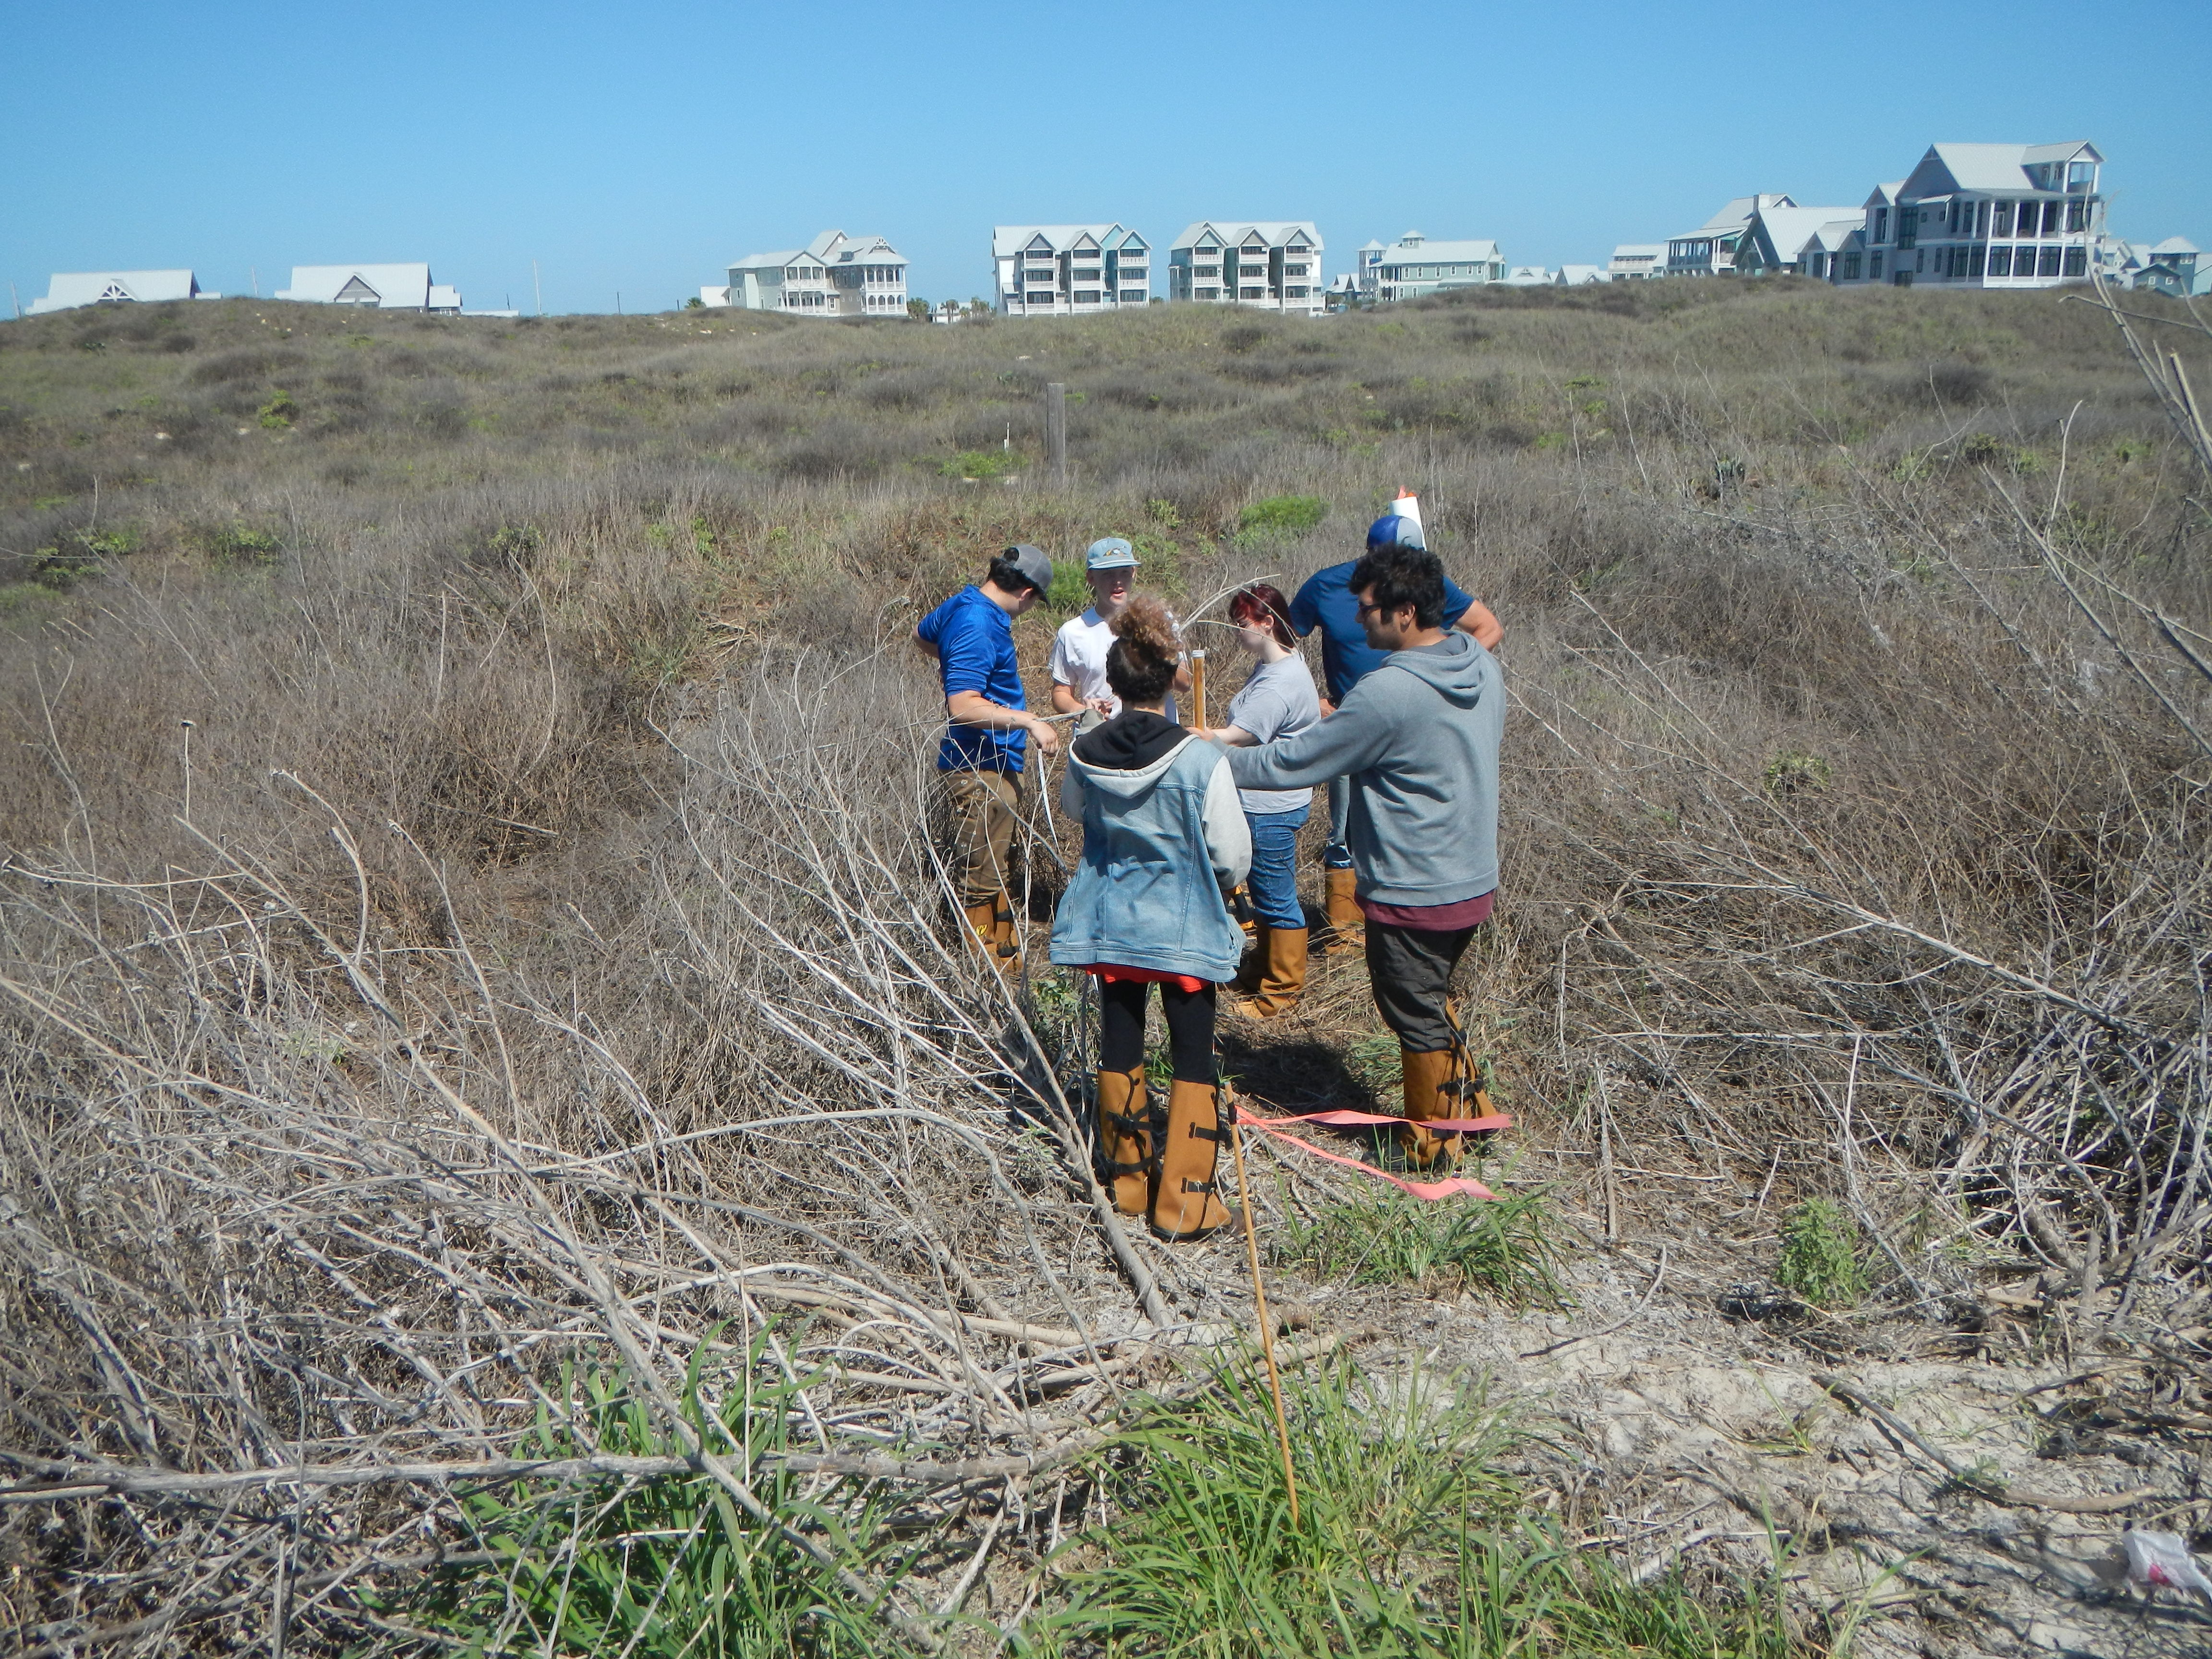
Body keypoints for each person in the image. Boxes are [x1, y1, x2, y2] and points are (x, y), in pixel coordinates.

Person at [1226, 543, 1503, 1169]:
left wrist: (1212, 757)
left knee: (1413, 1010)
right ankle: (1471, 1114)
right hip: (1472, 878)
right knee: (1431, 996)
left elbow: (1295, 760)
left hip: (1416, 887)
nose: (1357, 620)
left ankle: (1432, 1151)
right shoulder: (1478, 663)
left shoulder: (1389, 690)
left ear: (1405, 613)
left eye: (1368, 609)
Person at [1050, 597, 1251, 1240]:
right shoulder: (1199, 758)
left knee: (1120, 1043)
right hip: (1185, 932)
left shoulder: (1086, 748)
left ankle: (1129, 1185)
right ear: (1170, 681)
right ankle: (1187, 1207)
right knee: (1193, 1053)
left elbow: (1076, 810)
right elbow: (1232, 856)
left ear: (1114, 680)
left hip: (1112, 925)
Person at [1289, 505, 1502, 956]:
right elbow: (1284, 641)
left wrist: (1436, 683)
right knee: (1345, 829)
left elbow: (1488, 628)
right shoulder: (1327, 585)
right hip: (1353, 724)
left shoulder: (1426, 588)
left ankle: (1387, 928)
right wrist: (1313, 701)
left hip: (1415, 729)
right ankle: (1345, 933)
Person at [914, 544, 1059, 976]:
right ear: (1027, 593)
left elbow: (923, 636)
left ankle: (1008, 958)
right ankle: (985, 972)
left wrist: (955, 660)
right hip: (980, 769)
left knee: (995, 868)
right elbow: (962, 706)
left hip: (995, 765)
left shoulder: (963, 604)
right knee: (980, 878)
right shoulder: (977, 622)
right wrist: (1028, 721)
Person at [1190, 583, 1320, 1020]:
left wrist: (1198, 737)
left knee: (1276, 896)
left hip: (1271, 806)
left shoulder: (1281, 683)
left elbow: (1239, 736)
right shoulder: (1276, 665)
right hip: (1268, 798)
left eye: (1242, 624)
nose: (1236, 631)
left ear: (1267, 623)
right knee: (1266, 891)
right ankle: (1262, 968)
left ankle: (1282, 990)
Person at [1049, 537, 1181, 730]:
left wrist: (1159, 644)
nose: (1118, 582)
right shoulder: (1072, 632)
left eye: (1124, 572)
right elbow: (1061, 693)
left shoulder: (1160, 621)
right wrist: (1085, 712)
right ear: (1091, 578)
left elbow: (1185, 683)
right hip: (1100, 736)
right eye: (1107, 574)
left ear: (1134, 573)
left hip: (1157, 735)